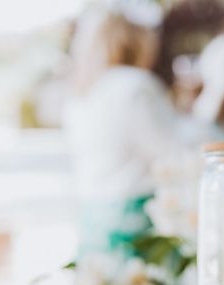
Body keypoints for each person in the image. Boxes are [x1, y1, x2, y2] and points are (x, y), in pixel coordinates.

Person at [64, 5, 176, 257]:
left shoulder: (83, 91)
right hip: (134, 224)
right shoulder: (136, 86)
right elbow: (169, 153)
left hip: (93, 220)